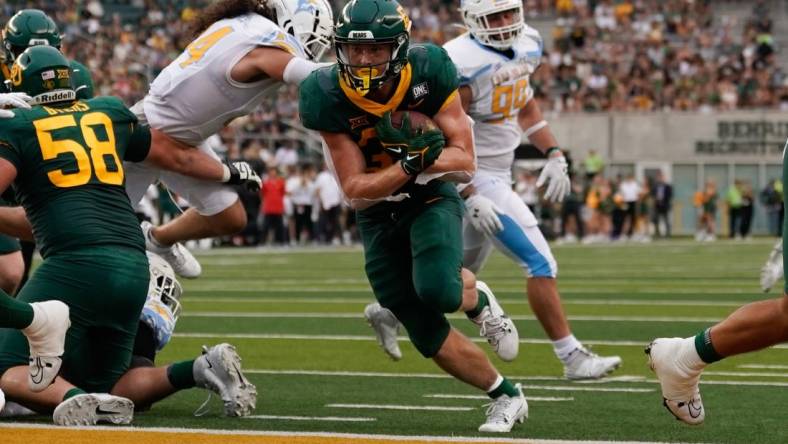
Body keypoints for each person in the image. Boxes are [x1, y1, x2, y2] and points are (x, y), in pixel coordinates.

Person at [299, 0, 525, 432]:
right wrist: (407, 164)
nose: (364, 60)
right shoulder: (322, 92)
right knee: (423, 330)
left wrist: (424, 163)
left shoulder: (429, 69)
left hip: (429, 197)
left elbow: (465, 161)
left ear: (399, 47)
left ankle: (476, 299)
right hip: (377, 212)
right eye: (354, 50)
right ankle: (506, 396)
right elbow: (355, 191)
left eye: (376, 50)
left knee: (439, 291)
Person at [0, 46, 256, 425]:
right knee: (115, 383)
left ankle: (74, 398)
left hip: (74, 265)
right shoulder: (109, 112)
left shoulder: (18, 126)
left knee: (8, 368)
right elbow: (177, 156)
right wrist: (228, 174)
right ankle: (198, 369)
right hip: (134, 262)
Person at [366, 0, 621, 381]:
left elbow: (526, 107)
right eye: (493, 17)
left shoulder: (529, 42)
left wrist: (553, 153)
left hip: (501, 172)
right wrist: (469, 192)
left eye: (507, 14)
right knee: (540, 263)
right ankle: (572, 358)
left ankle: (390, 310)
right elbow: (443, 132)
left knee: (457, 274)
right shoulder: (460, 61)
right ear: (471, 21)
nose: (503, 24)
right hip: (475, 176)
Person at [125, 0, 333, 277]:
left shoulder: (244, 25)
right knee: (102, 242)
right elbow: (311, 75)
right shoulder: (264, 46)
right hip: (150, 132)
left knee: (230, 217)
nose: (316, 48)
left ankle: (156, 239)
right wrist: (228, 172)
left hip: (181, 131)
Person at [0, 9, 97, 295]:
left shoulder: (75, 75)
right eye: (22, 51)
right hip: (7, 180)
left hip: (46, 181)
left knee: (25, 276)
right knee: (11, 272)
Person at [651, 170, 672, 238]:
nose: (660, 178)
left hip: (665, 205)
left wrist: (663, 201)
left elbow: (670, 195)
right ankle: (657, 234)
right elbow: (652, 195)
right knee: (656, 220)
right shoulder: (655, 186)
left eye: (661, 177)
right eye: (658, 177)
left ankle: (667, 234)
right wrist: (656, 200)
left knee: (666, 220)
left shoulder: (667, 186)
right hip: (657, 206)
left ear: (663, 177)